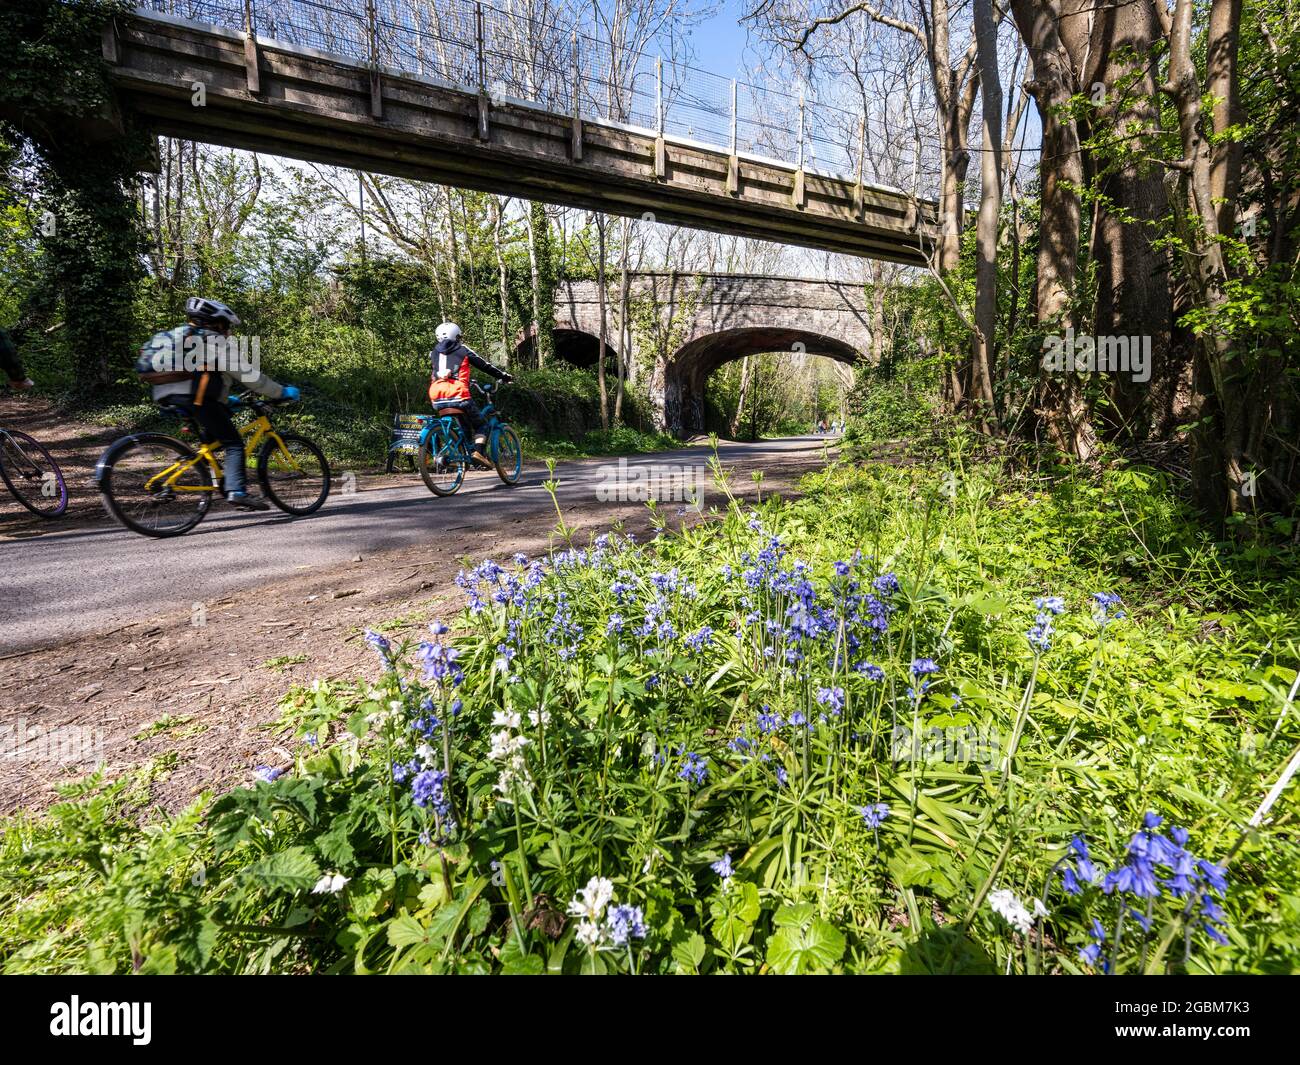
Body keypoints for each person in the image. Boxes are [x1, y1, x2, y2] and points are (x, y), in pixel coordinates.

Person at [137, 297, 299, 511]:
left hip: (167, 397)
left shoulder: (173, 336)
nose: (229, 331)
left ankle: (218, 480)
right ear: (217, 323)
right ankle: (236, 492)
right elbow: (250, 377)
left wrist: (224, 400)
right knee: (233, 444)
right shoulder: (215, 341)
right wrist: (280, 392)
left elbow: (205, 375)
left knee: (213, 438)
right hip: (196, 398)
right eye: (227, 325)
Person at [427, 322, 512, 466]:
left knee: (464, 426)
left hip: (437, 396)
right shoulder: (462, 349)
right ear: (456, 336)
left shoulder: (434, 352)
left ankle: (464, 457)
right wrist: (504, 376)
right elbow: (484, 365)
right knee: (481, 426)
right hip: (458, 394)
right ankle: (478, 453)